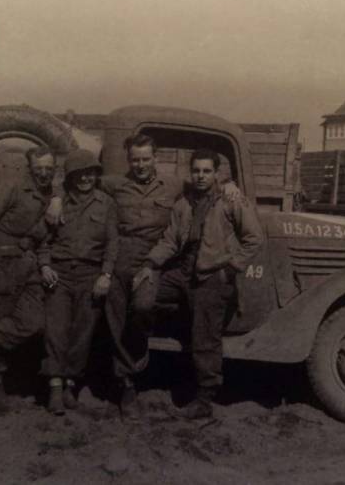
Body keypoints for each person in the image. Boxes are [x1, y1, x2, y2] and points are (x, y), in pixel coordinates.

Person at [98, 133, 240, 418]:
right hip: (121, 258)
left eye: (145, 159)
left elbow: (204, 182)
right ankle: (126, 384)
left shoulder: (174, 184)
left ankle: (142, 363)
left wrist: (229, 184)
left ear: (156, 158)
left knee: (142, 306)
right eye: (135, 160)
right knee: (117, 320)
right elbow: (81, 183)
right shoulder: (115, 184)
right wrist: (57, 198)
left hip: (154, 258)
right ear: (128, 160)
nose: (140, 165)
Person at [134, 148, 263, 419]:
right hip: (183, 272)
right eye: (196, 171)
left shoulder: (231, 200)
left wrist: (230, 269)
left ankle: (205, 398)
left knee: (205, 336)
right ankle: (140, 352)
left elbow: (254, 238)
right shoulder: (184, 203)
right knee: (141, 295)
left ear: (216, 174)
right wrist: (150, 264)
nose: (201, 176)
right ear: (190, 173)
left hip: (212, 275)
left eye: (206, 171)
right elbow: (170, 240)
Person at [39, 149, 118, 415]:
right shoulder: (57, 203)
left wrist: (106, 275)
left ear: (96, 175)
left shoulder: (106, 204)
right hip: (59, 274)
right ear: (70, 177)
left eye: (90, 173)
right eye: (79, 174)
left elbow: (112, 243)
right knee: (56, 331)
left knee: (82, 333)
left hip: (90, 275)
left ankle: (70, 386)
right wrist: (45, 265)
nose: (85, 179)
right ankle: (55, 388)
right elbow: (43, 240)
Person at [0, 145, 57, 412]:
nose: (44, 173)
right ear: (30, 168)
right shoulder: (12, 186)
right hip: (2, 263)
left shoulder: (51, 194)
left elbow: (45, 239)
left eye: (49, 168)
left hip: (29, 266)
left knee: (33, 322)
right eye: (39, 168)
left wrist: (44, 264)